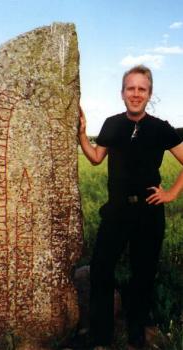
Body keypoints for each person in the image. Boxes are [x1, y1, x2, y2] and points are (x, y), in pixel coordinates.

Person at [79, 65, 183, 350]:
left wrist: (171, 193)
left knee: (143, 272)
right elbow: (96, 158)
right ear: (122, 93)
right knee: (101, 268)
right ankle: (101, 337)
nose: (136, 94)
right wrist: (82, 133)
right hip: (116, 211)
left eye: (142, 89)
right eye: (131, 88)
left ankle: (137, 336)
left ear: (149, 94)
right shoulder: (112, 124)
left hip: (149, 211)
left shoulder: (161, 128)